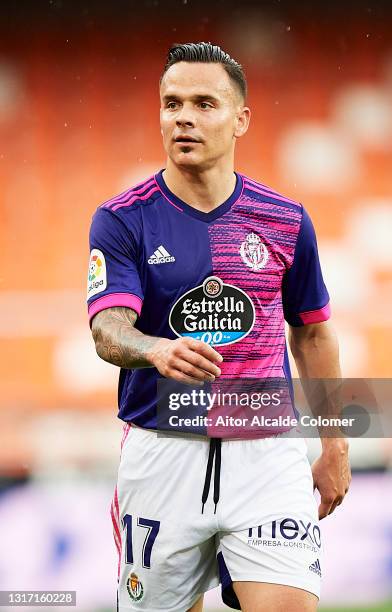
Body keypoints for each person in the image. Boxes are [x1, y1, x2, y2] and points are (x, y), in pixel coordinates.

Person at [87, 42, 351, 612]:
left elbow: (312, 333)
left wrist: (335, 443)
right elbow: (108, 327)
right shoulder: (121, 218)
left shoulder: (284, 219)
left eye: (204, 103)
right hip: (163, 451)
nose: (183, 116)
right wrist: (155, 351)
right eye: (171, 103)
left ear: (241, 119)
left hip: (267, 453)